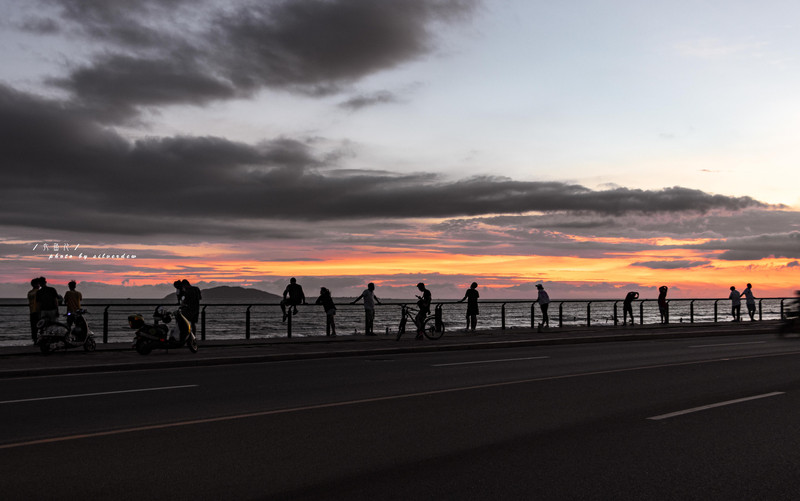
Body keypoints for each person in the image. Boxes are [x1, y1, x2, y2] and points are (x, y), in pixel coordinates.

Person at [27, 278, 41, 343]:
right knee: (42, 326)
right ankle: (41, 339)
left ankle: (35, 340)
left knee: (33, 327)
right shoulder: (39, 292)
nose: (39, 285)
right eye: (38, 283)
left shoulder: (29, 293)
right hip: (39, 311)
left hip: (32, 311)